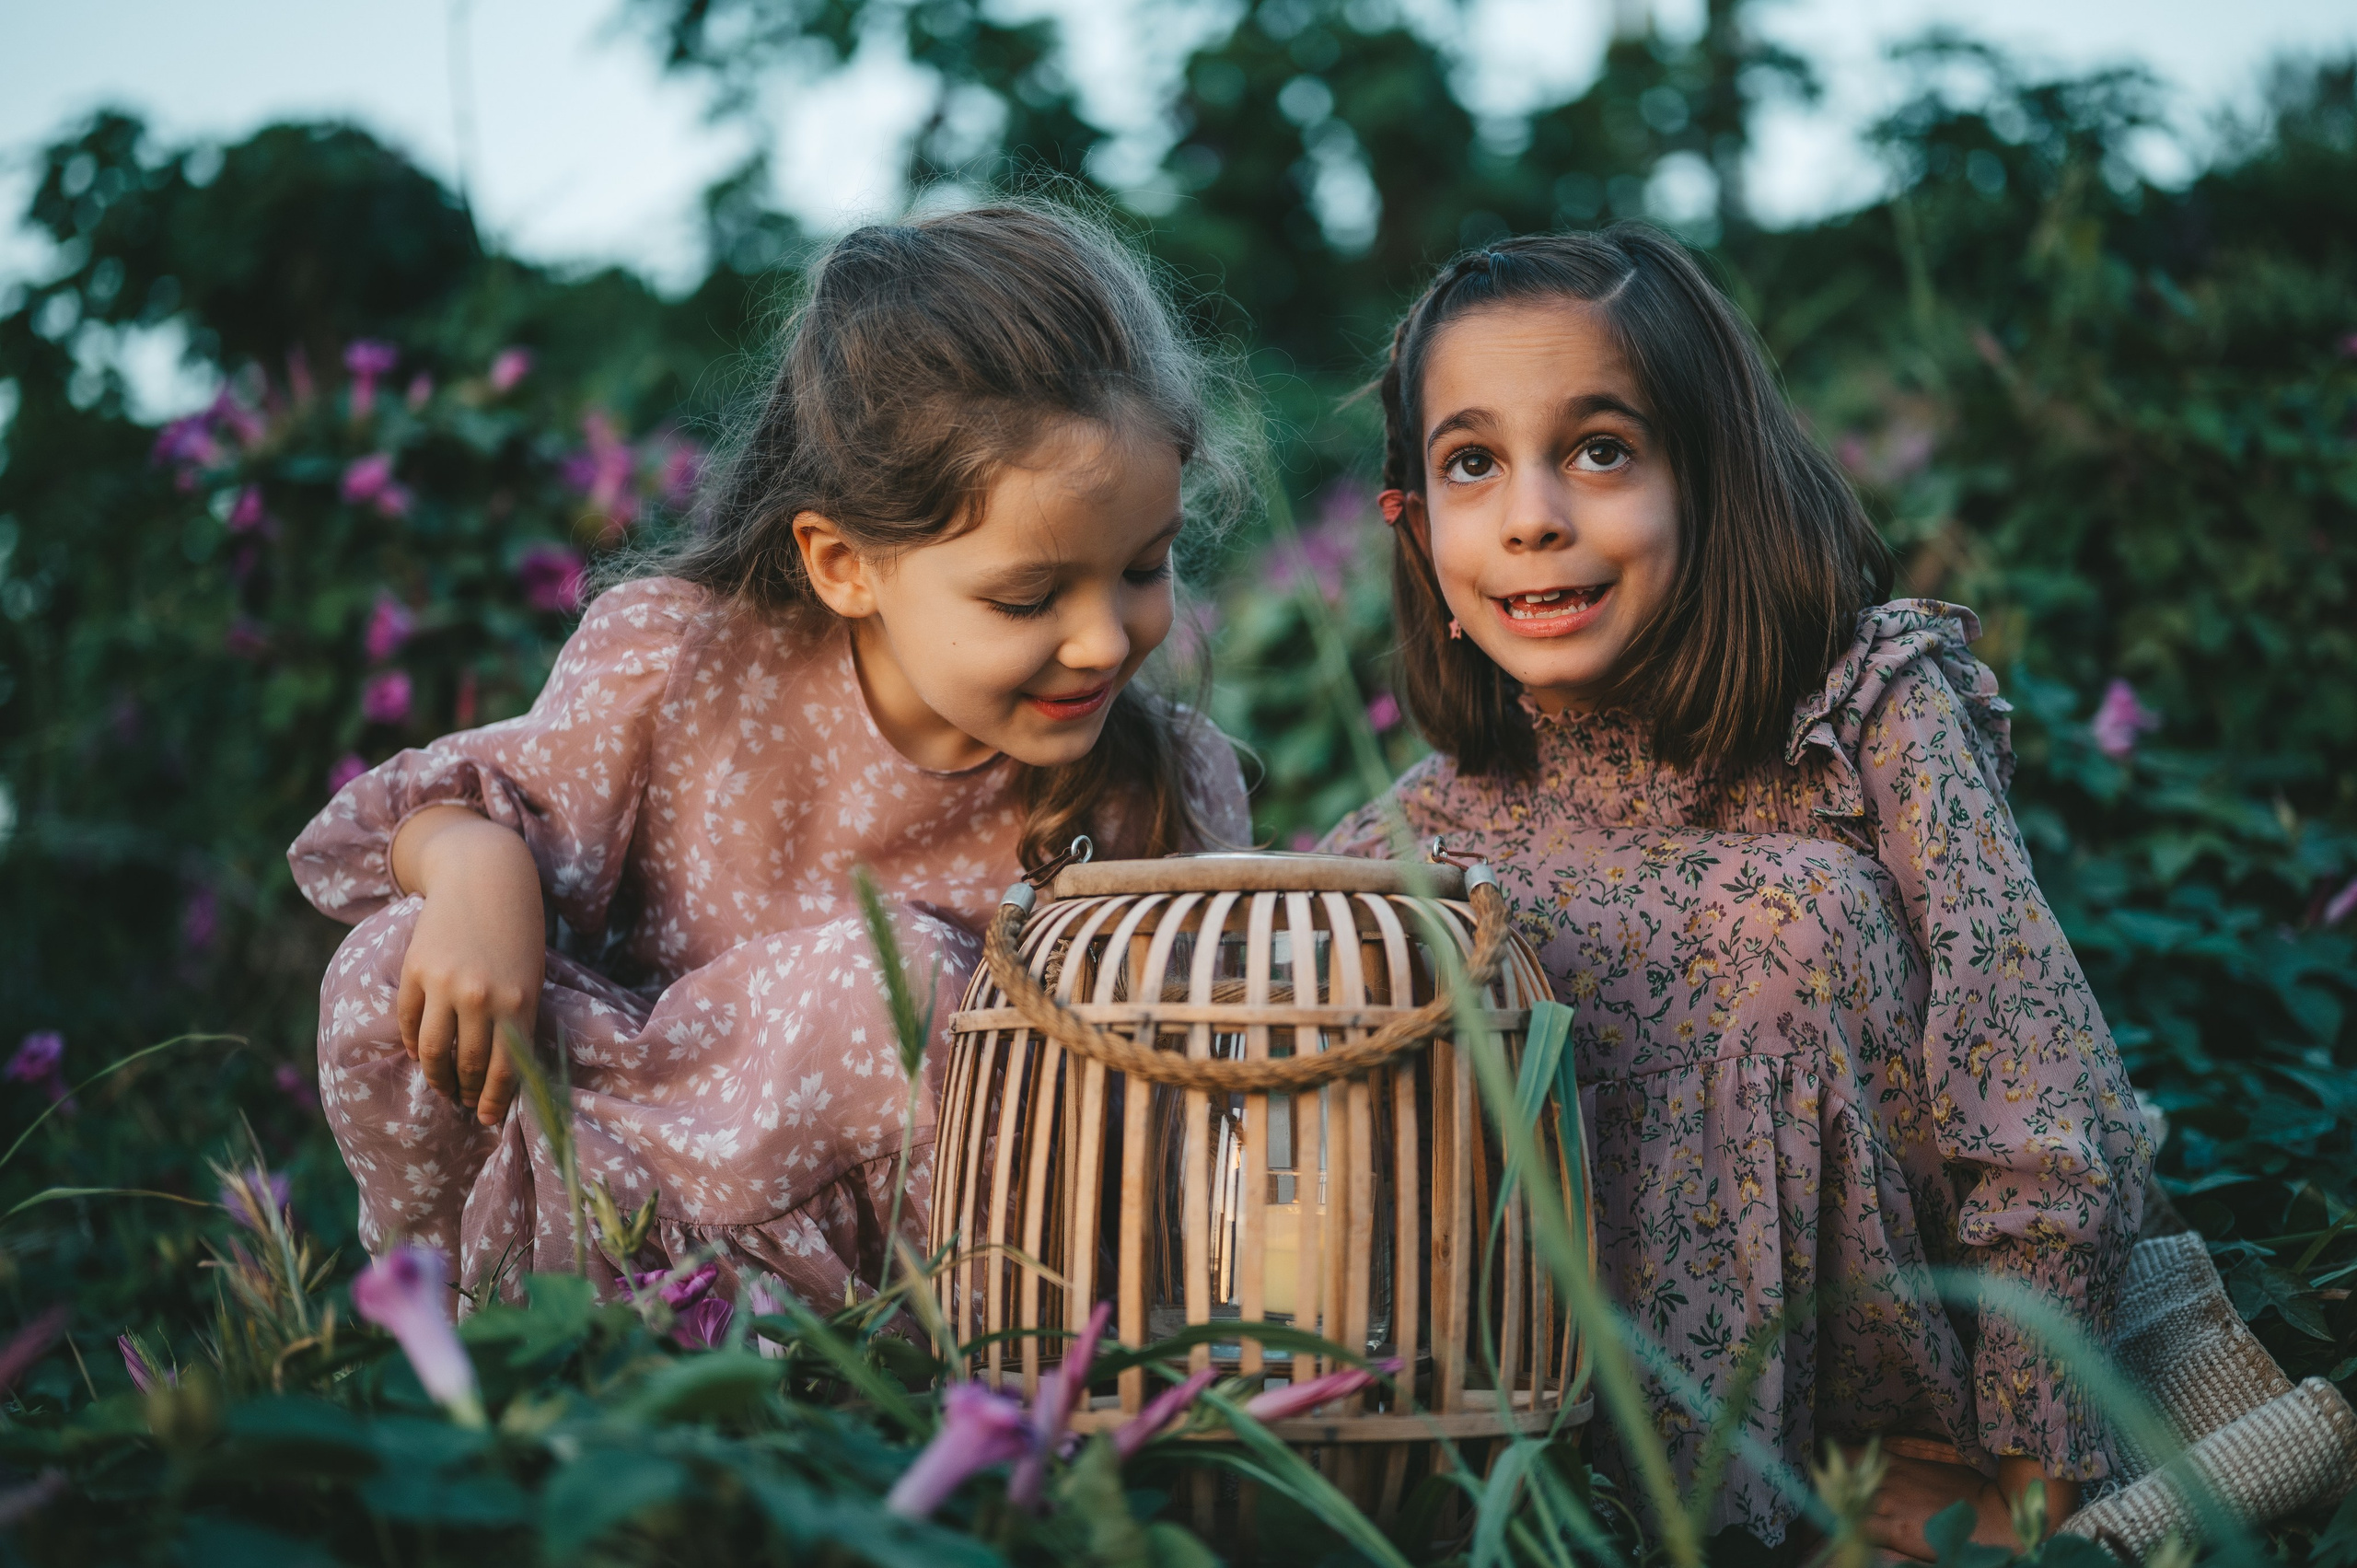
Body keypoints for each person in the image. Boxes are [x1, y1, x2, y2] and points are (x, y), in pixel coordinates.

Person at [1320, 225, 2150, 1560]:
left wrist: (2025, 1461)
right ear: (1414, 532)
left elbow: (2034, 1082)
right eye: (1472, 462)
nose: (1534, 513)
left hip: (1907, 1471)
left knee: (1794, 908)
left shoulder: (1864, 712)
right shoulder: (1408, 840)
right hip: (1558, 1486)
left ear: (1711, 475)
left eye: (1600, 447)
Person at [290, 204, 1250, 1313]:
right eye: (1027, 596)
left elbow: (1211, 1100)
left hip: (948, 1286)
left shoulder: (1154, 782)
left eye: (1144, 566)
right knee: (392, 963)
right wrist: (471, 865)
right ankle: (450, 1329)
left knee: (902, 990)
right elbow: (386, 835)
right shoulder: (686, 661)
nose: (1102, 640)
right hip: (616, 1203)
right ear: (845, 563)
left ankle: (911, 1394)